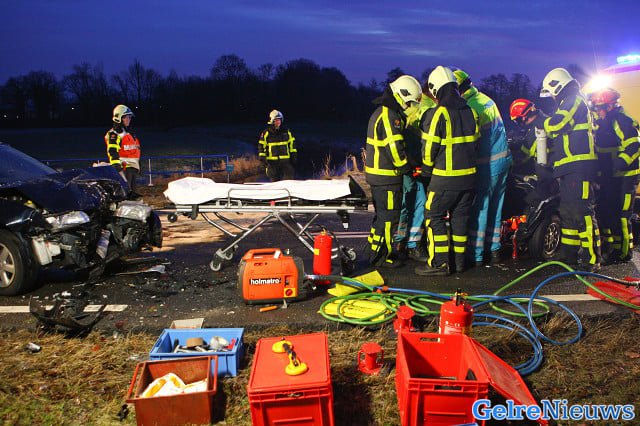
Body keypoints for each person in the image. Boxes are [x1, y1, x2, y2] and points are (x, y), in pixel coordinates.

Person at [415, 66, 480, 276]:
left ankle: (439, 264)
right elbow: (476, 143)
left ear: (436, 89)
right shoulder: (470, 111)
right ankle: (459, 263)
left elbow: (429, 148)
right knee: (460, 220)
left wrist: (426, 171)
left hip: (444, 180)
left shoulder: (439, 113)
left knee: (433, 215)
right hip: (469, 179)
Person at [540, 68, 600, 271]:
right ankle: (570, 255)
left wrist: (542, 121)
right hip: (569, 168)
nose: (552, 97)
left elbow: (557, 124)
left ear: (557, 86)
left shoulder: (574, 99)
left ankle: (592, 258)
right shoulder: (568, 101)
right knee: (568, 213)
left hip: (579, 167)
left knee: (582, 212)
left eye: (551, 93)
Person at [453, 68, 512, 266]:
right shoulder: (486, 100)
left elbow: (472, 142)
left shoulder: (471, 107)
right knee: (496, 207)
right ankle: (493, 249)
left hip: (488, 165)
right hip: (502, 161)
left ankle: (476, 253)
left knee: (480, 208)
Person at [365, 75, 421, 268]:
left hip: (379, 177)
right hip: (386, 178)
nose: (409, 106)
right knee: (390, 219)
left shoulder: (383, 112)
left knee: (381, 218)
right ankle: (384, 257)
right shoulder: (389, 116)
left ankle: (373, 252)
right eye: (409, 101)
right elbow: (395, 149)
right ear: (402, 95)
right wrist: (408, 168)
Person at [589, 88, 640, 263]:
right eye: (596, 108)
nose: (598, 111)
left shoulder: (622, 121)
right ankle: (612, 247)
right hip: (610, 177)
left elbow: (633, 147)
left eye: (600, 108)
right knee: (606, 211)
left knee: (622, 215)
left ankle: (624, 252)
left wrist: (616, 164)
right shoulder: (601, 124)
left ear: (610, 106)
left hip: (626, 177)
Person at [394, 92, 436, 262]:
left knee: (412, 204)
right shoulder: (428, 108)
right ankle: (406, 243)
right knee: (411, 205)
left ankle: (407, 243)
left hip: (413, 167)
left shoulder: (415, 107)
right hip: (410, 167)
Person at [104, 104, 141, 194]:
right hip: (123, 169)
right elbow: (112, 151)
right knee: (125, 194)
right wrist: (117, 167)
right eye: (126, 117)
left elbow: (136, 149)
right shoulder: (114, 134)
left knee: (133, 194)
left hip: (132, 168)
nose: (129, 119)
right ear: (119, 118)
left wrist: (138, 164)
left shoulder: (129, 133)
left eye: (130, 117)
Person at [258, 110, 297, 181]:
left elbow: (292, 144)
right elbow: (261, 146)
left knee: (289, 181)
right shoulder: (266, 133)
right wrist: (263, 160)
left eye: (279, 120)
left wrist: (293, 156)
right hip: (272, 163)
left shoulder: (286, 131)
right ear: (272, 121)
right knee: (275, 184)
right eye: (276, 120)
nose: (278, 122)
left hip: (285, 162)